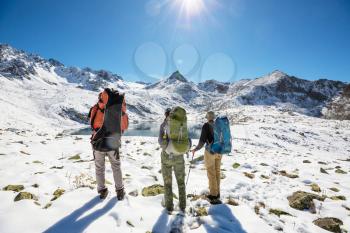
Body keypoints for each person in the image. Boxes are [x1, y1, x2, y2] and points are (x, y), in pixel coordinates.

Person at [88, 88, 129, 200]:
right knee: (116, 166)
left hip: (98, 142)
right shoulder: (119, 110)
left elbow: (92, 124)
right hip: (113, 142)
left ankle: (102, 190)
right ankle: (120, 191)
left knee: (99, 167)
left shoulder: (97, 108)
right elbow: (125, 126)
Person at [158, 107, 188, 213]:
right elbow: (187, 140)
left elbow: (161, 142)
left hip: (166, 157)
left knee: (167, 183)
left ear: (165, 114)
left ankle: (169, 206)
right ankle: (183, 205)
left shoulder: (164, 125)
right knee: (181, 182)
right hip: (179, 156)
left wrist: (166, 147)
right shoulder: (181, 123)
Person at [191, 111, 222, 204]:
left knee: (211, 172)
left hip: (210, 152)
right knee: (217, 172)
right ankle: (217, 193)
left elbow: (202, 141)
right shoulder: (219, 125)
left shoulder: (206, 126)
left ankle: (213, 195)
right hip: (219, 151)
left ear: (207, 118)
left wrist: (195, 149)